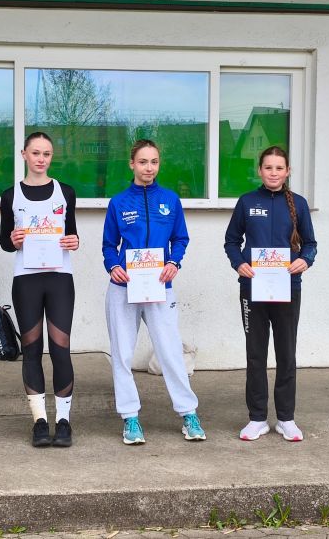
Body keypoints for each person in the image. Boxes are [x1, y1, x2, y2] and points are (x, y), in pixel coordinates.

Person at [102, 139, 206, 445]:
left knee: (170, 351)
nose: (149, 168)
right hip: (123, 288)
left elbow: (181, 238)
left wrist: (174, 262)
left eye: (154, 162)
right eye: (143, 162)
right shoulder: (119, 202)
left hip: (160, 286)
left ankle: (188, 413)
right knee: (122, 354)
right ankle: (130, 418)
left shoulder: (170, 200)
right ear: (132, 164)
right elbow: (109, 245)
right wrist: (113, 266)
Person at [224, 145, 317, 442]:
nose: (273, 173)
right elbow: (231, 241)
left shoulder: (299, 204)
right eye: (268, 167)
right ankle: (257, 418)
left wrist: (305, 260)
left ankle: (286, 419)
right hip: (253, 289)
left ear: (287, 171)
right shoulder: (247, 202)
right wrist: (239, 263)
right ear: (259, 170)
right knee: (255, 354)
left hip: (288, 288)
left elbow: (310, 244)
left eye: (279, 168)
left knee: (286, 354)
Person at [0, 131, 79, 448]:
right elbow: (6, 243)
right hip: (26, 279)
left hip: (59, 278)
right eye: (35, 153)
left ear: (51, 157)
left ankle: (63, 421)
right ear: (24, 154)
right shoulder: (11, 195)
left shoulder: (66, 192)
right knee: (31, 348)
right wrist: (13, 240)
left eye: (46, 154)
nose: (41, 159)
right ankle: (40, 422)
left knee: (60, 348)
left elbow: (71, 235)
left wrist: (74, 241)